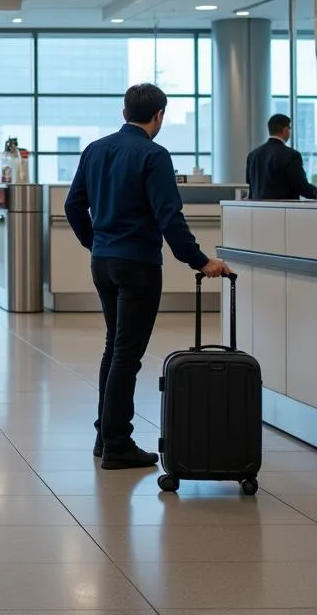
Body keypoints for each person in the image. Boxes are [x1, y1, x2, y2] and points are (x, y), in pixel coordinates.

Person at [65, 83, 232, 471]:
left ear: (125, 112)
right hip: (137, 264)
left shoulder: (95, 149)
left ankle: (104, 434)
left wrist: (96, 243)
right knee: (126, 353)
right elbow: (168, 216)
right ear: (158, 115)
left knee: (114, 347)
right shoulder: (154, 155)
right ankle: (118, 443)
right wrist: (199, 260)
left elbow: (74, 204)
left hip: (103, 262)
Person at [246, 113, 317, 201]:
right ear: (286, 130)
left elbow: (251, 185)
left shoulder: (253, 155)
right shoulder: (291, 155)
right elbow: (301, 186)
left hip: (257, 209)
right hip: (283, 210)